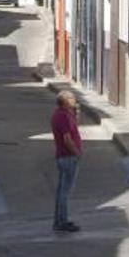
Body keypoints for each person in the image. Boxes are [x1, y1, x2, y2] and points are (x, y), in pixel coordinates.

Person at [51, 91, 82, 233]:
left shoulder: (64, 114)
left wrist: (76, 113)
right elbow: (67, 138)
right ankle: (62, 221)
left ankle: (59, 220)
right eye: (71, 98)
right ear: (64, 101)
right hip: (68, 156)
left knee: (61, 191)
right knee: (65, 191)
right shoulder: (62, 116)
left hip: (63, 156)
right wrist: (76, 152)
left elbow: (74, 129)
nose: (74, 99)